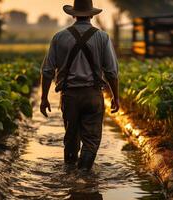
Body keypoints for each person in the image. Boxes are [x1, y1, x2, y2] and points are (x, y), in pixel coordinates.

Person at [40, 0, 119, 172]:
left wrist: (44, 98)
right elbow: (112, 72)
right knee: (91, 140)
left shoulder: (59, 37)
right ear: (91, 15)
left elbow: (47, 71)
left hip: (69, 96)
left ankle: (69, 175)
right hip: (93, 95)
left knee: (71, 137)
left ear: (73, 14)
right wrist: (116, 97)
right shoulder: (102, 37)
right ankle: (83, 176)